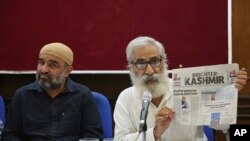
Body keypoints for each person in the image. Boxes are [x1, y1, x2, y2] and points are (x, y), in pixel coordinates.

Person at [113, 36, 248, 141]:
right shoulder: (126, 98)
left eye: (155, 61)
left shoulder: (188, 87)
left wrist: (229, 94)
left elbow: (222, 126)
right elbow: (120, 139)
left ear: (164, 62)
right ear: (131, 67)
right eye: (141, 63)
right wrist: (155, 132)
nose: (149, 70)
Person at [1, 43, 103, 141]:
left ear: (67, 71)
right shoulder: (23, 95)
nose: (44, 69)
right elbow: (10, 135)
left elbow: (92, 137)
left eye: (52, 65)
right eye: (41, 62)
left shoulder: (82, 95)